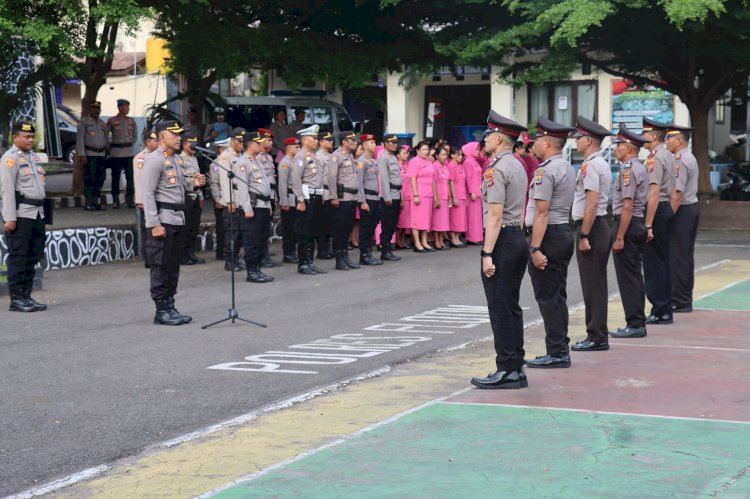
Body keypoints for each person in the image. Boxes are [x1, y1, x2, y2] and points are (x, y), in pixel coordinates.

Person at [470, 111, 530, 389]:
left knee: (500, 308)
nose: (485, 140)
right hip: (517, 237)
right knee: (511, 306)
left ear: (497, 138)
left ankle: (507, 369)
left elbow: (494, 216)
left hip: (503, 240)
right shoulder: (518, 164)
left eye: (487, 136)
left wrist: (486, 254)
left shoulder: (496, 169)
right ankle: (515, 365)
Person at [141, 120, 206, 325]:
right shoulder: (154, 160)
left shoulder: (175, 159)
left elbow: (178, 186)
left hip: (178, 218)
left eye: (180, 135)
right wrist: (154, 224)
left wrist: (193, 184)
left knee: (172, 266)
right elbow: (148, 193)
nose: (179, 138)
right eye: (175, 134)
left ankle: (170, 305)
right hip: (164, 220)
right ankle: (161, 310)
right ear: (162, 137)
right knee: (161, 266)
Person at [524, 116, 576, 369]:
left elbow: (541, 212)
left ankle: (556, 352)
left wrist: (534, 247)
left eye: (537, 139)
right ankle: (560, 347)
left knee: (548, 297)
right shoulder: (566, 167)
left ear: (546, 142)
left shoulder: (546, 170)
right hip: (563, 231)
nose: (534, 143)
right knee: (558, 294)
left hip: (549, 236)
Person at [570, 116, 613, 351]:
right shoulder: (600, 162)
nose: (576, 141)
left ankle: (596, 336)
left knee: (592, 285)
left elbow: (591, 202)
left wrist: (584, 234)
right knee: (597, 283)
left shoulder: (590, 165)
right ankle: (598, 333)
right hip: (598, 226)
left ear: (588, 140)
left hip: (592, 227)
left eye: (578, 138)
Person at [1, 120, 48, 312]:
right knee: (19, 256)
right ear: (15, 138)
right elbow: (6, 191)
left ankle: (27, 296)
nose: (30, 140)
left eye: (31, 137)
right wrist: (9, 218)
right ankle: (17, 298)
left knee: (34, 254)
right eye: (26, 136)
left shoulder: (33, 157)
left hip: (37, 213)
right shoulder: (9, 159)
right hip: (21, 215)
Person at [608, 125, 650, 339]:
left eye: (618, 145)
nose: (615, 149)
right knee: (633, 274)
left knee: (628, 276)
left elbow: (627, 205)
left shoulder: (628, 169)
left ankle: (635, 323)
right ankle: (637, 320)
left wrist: (620, 236)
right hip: (636, 222)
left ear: (628, 148)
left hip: (628, 223)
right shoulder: (638, 167)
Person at [642, 117, 676, 325]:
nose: (641, 138)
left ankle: (659, 309)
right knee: (662, 260)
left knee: (654, 263)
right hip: (664, 209)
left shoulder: (655, 158)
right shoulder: (669, 155)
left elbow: (653, 193)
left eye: (644, 134)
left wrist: (647, 224)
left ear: (653, 137)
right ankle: (664, 308)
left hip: (656, 209)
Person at [666, 124, 700, 313]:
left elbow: (677, 193)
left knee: (678, 256)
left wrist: (667, 217)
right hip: (690, 208)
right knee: (684, 255)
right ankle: (683, 298)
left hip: (682, 211)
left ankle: (680, 299)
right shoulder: (688, 157)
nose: (667, 142)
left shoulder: (680, 160)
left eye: (669, 138)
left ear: (679, 140)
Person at [236, 131, 275, 283]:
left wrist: (269, 205)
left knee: (261, 238)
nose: (261, 145)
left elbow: (264, 183)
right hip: (253, 207)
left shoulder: (257, 160)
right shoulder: (242, 162)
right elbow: (242, 188)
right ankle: (252, 271)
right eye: (258, 143)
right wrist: (247, 209)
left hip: (263, 205)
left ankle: (258, 269)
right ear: (251, 145)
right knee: (251, 240)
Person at [291, 124, 327, 275]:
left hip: (316, 196)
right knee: (304, 232)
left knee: (312, 231)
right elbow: (296, 179)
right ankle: (303, 263)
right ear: (305, 139)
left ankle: (310, 262)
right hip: (307, 197)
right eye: (313, 138)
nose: (316, 141)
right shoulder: (300, 156)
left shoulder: (313, 155)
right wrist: (300, 199)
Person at [328, 132, 361, 270]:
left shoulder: (349, 156)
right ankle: (339, 259)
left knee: (347, 228)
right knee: (340, 229)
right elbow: (331, 177)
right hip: (342, 198)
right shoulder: (337, 155)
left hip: (352, 197)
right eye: (352, 140)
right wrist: (334, 196)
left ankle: (345, 257)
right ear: (344, 142)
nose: (355, 142)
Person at [216, 128, 247, 271]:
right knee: (232, 232)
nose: (242, 144)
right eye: (240, 141)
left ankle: (236, 258)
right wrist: (230, 201)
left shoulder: (242, 155)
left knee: (240, 232)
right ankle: (229, 261)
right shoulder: (225, 156)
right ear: (233, 140)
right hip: (232, 198)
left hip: (242, 198)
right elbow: (224, 179)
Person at [76, 100, 109, 211]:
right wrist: (82, 154)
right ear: (90, 109)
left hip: (101, 155)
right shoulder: (84, 122)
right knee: (89, 179)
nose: (96, 110)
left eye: (97, 109)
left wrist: (108, 153)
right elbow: (79, 139)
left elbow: (106, 139)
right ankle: (89, 203)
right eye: (94, 108)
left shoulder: (102, 123)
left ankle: (96, 202)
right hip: (90, 155)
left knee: (100, 179)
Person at [356, 133, 383, 265]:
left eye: (374, 142)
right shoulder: (361, 161)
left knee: (372, 227)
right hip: (367, 198)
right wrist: (362, 201)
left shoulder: (373, 160)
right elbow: (359, 183)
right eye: (371, 143)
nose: (374, 145)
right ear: (365, 145)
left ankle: (369, 253)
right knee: (365, 228)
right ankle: (364, 255)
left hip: (375, 197)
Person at [256, 128, 281, 268]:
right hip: (262, 197)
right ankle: (261, 256)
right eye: (268, 140)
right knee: (261, 228)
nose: (271, 143)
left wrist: (274, 198)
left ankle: (264, 254)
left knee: (266, 228)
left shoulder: (268, 157)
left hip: (270, 195)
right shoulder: (257, 157)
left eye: (271, 140)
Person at [179, 136, 206, 265]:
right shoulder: (180, 159)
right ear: (184, 145)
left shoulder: (194, 158)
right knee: (186, 226)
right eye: (191, 143)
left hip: (196, 195)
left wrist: (201, 197)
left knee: (194, 227)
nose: (194, 145)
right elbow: (183, 180)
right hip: (187, 196)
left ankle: (191, 253)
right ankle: (183, 255)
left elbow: (198, 178)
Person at [105, 98, 137, 209]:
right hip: (116, 153)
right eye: (126, 106)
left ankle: (130, 200)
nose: (128, 109)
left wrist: (129, 143)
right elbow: (105, 135)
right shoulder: (112, 120)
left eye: (128, 106)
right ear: (120, 107)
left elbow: (135, 136)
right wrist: (109, 148)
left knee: (130, 178)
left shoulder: (131, 120)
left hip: (128, 152)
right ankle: (115, 200)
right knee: (115, 178)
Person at [134, 130, 159, 267]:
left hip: (155, 200)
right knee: (147, 231)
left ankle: (154, 257)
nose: (157, 143)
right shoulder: (141, 158)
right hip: (145, 201)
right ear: (148, 142)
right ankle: (148, 259)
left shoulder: (157, 156)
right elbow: (139, 181)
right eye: (155, 140)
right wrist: (140, 201)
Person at [377, 134, 403, 262]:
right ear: (385, 143)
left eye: (396, 142)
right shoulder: (383, 157)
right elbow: (384, 178)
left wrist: (401, 196)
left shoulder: (393, 157)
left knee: (393, 222)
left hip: (396, 193)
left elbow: (398, 178)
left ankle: (387, 250)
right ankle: (385, 251)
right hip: (389, 195)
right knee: (387, 224)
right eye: (392, 142)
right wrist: (387, 197)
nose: (394, 144)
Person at [408, 141, 437, 252]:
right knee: (417, 220)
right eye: (423, 149)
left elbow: (433, 179)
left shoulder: (429, 161)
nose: (426, 152)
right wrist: (415, 194)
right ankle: (417, 243)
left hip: (428, 194)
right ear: (417, 150)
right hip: (419, 194)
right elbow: (413, 178)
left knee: (425, 220)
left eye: (427, 149)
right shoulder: (414, 162)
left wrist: (434, 195)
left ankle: (424, 241)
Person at [208, 137, 229, 261]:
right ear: (221, 149)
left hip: (230, 198)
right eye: (227, 149)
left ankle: (229, 250)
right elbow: (214, 183)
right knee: (221, 227)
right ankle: (221, 252)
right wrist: (217, 199)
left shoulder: (229, 162)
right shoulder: (215, 164)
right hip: (221, 198)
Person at [315, 131, 336, 260]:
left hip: (331, 193)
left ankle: (327, 248)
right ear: (321, 142)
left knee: (329, 224)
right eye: (328, 140)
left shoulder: (330, 155)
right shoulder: (318, 156)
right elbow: (318, 178)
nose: (331, 142)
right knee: (322, 224)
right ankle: (322, 249)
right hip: (324, 192)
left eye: (332, 140)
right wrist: (322, 195)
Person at [463, 142, 484, 245]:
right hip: (473, 193)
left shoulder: (474, 161)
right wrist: (471, 191)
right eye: (476, 149)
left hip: (478, 191)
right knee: (472, 216)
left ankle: (477, 237)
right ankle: (472, 238)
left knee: (477, 216)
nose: (478, 151)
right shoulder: (468, 162)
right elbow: (468, 178)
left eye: (478, 149)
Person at [431, 145, 451, 250]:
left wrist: (450, 196)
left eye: (445, 154)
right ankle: (436, 241)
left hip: (445, 196)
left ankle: (441, 240)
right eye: (442, 154)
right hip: (438, 195)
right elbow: (433, 182)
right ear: (437, 156)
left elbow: (448, 182)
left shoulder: (445, 166)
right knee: (437, 220)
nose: (444, 156)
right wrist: (436, 197)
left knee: (443, 220)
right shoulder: (434, 166)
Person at [447, 146, 467, 247]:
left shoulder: (460, 166)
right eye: (458, 154)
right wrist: (453, 197)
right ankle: (453, 239)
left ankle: (457, 238)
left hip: (462, 195)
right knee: (454, 218)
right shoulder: (451, 166)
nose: (460, 156)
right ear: (452, 155)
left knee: (460, 219)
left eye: (461, 154)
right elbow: (450, 182)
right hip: (456, 195)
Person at [396, 145, 412, 249]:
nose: (406, 155)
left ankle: (402, 240)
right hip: (400, 195)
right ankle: (397, 241)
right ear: (398, 155)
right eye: (404, 153)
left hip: (408, 195)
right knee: (399, 222)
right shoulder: (396, 166)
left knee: (405, 221)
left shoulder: (408, 165)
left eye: (407, 153)